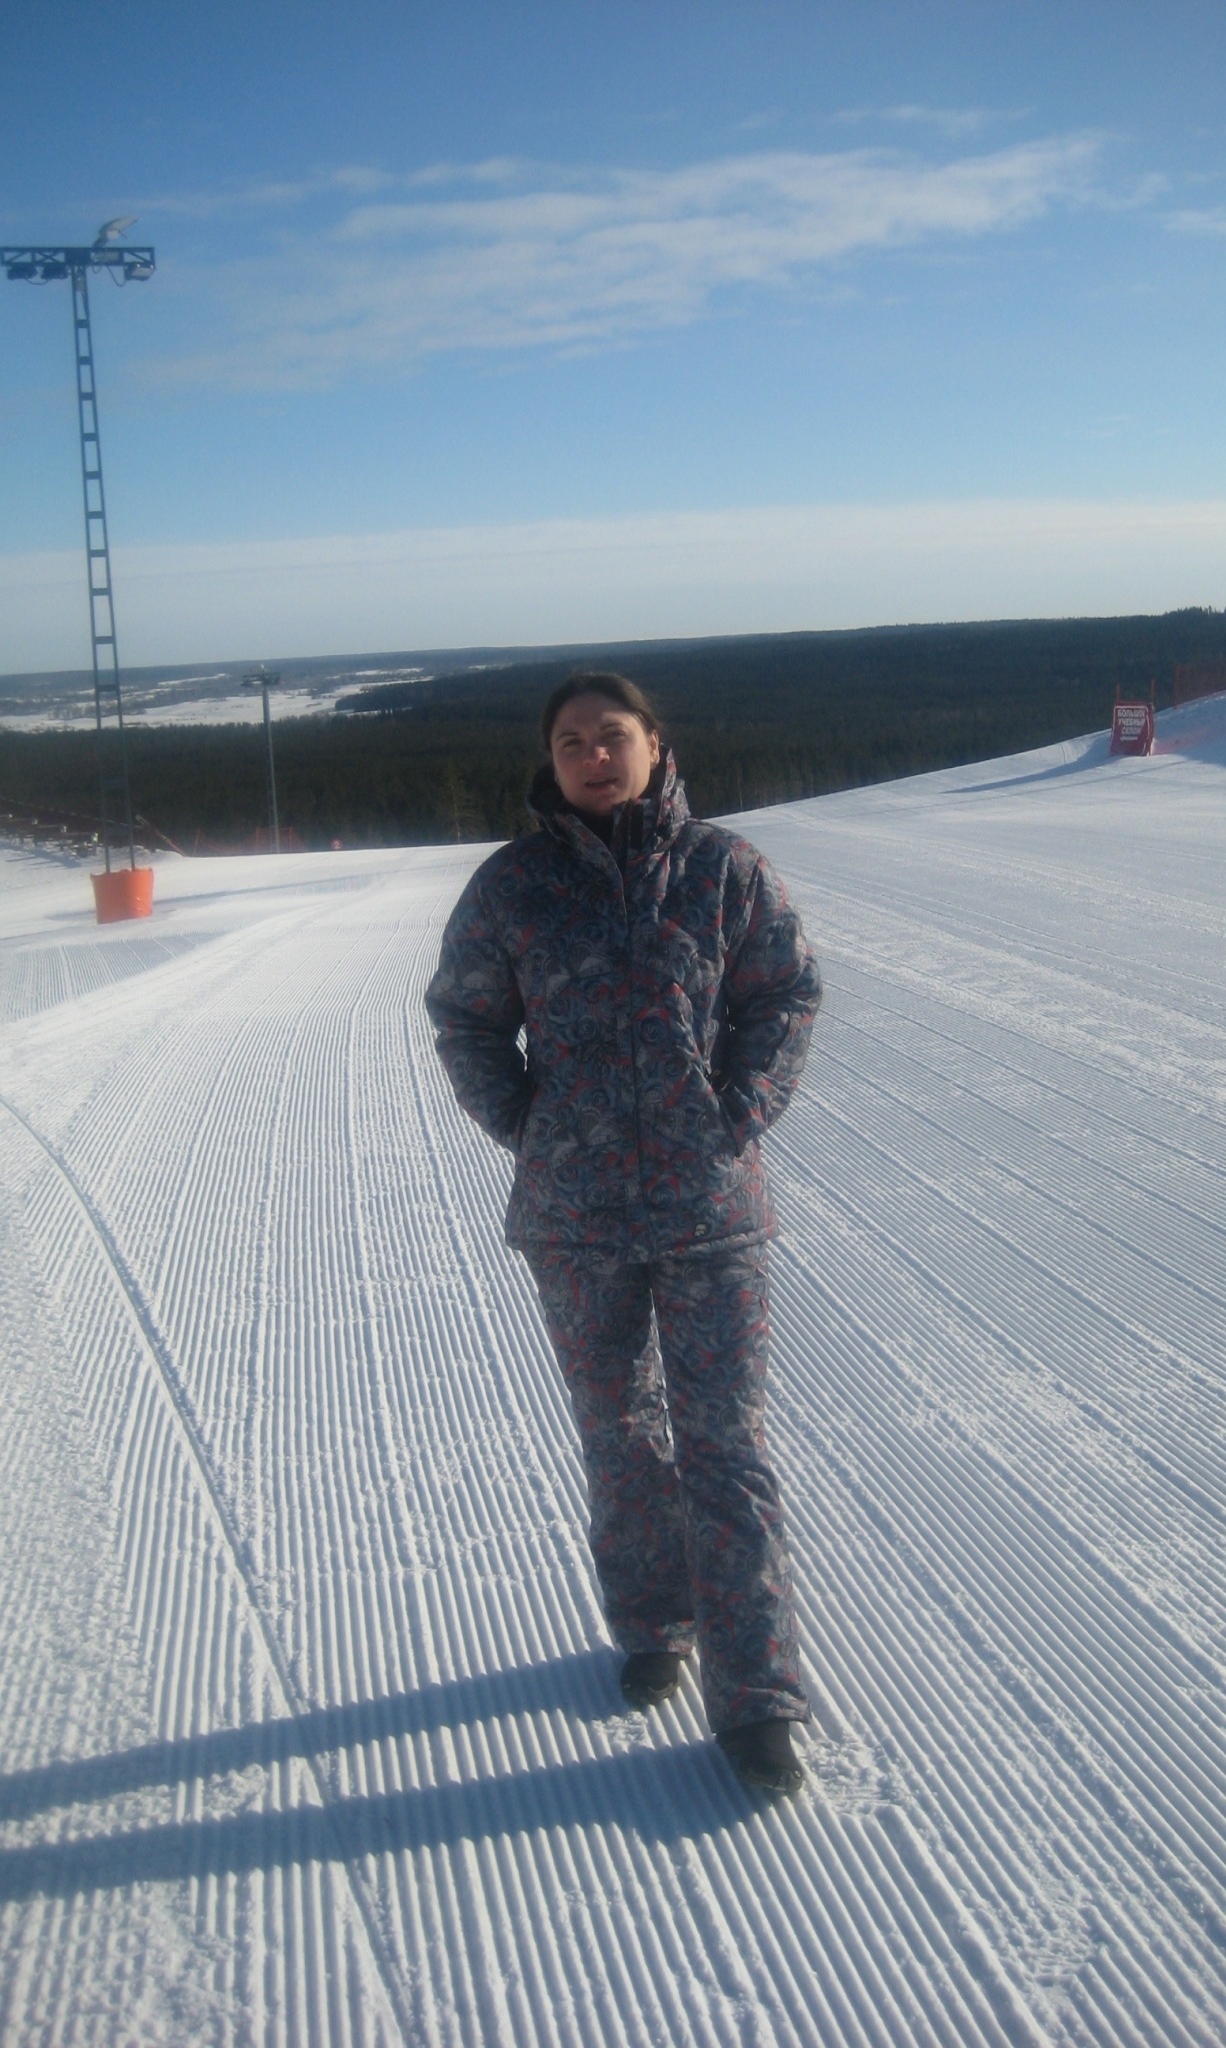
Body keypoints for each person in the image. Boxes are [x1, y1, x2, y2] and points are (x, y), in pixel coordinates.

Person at [425, 673, 821, 1795]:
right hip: (575, 1217)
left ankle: (758, 1696)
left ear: (655, 744)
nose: (593, 757)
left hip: (709, 1211)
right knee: (619, 1433)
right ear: (550, 763)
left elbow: (785, 993)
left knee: (725, 1446)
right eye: (570, 742)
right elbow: (463, 1016)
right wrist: (530, 1124)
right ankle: (654, 1622)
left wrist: (737, 1109)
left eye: (612, 736)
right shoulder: (514, 886)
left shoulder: (722, 870)